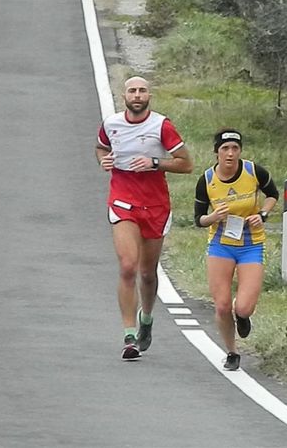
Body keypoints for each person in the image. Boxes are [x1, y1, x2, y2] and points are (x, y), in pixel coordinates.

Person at [96, 76, 193, 361]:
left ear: (149, 95)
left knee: (148, 274)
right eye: (132, 91)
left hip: (155, 205)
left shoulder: (161, 126)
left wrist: (155, 163)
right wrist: (103, 160)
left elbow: (186, 164)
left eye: (142, 91)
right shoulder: (111, 124)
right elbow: (101, 147)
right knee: (128, 266)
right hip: (123, 200)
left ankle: (146, 320)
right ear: (124, 95)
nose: (137, 95)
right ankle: (129, 336)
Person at [194, 129, 279, 370]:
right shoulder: (207, 179)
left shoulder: (253, 171)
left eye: (235, 148)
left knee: (242, 306)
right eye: (225, 149)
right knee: (221, 305)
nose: (230, 154)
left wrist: (262, 214)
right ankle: (232, 352)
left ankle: (242, 317)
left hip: (251, 244)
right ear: (216, 152)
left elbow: (273, 194)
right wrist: (213, 217)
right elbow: (198, 219)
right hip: (221, 244)